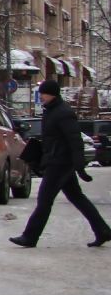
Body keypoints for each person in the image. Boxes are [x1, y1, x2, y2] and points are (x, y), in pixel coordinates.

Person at [10, 80, 111, 249]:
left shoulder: (63, 112)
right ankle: (102, 230)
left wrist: (79, 165)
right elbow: (54, 139)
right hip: (58, 160)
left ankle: (29, 236)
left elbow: (74, 139)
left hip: (60, 163)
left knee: (44, 200)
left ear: (52, 94)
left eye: (43, 92)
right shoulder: (51, 111)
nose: (41, 95)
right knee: (77, 197)